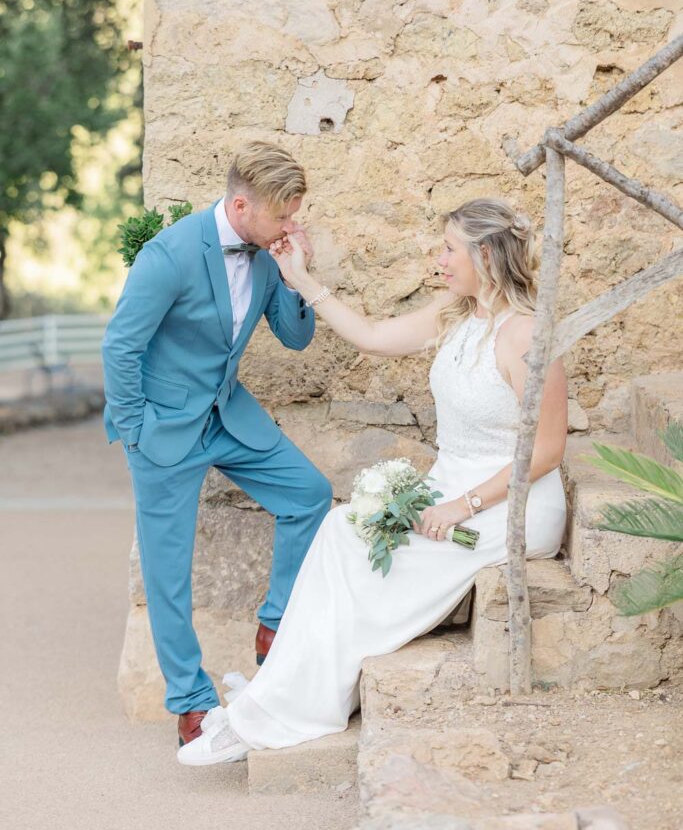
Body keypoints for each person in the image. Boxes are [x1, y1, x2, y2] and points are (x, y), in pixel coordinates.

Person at [177, 197, 568, 766]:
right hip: (450, 490)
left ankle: (274, 714)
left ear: (484, 256)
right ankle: (277, 693)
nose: (439, 259)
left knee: (365, 563)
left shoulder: (528, 336)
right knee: (340, 530)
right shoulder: (456, 314)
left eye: (449, 249)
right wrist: (299, 276)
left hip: (507, 507)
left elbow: (548, 448)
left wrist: (462, 505)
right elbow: (370, 334)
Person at [101, 142, 332, 747]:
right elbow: (119, 347)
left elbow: (294, 338)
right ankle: (191, 705)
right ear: (240, 205)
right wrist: (136, 433)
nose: (292, 225)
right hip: (163, 430)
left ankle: (274, 627)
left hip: (228, 415)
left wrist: (295, 271)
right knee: (167, 572)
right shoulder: (169, 255)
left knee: (309, 493)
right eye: (284, 216)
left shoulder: (265, 251)